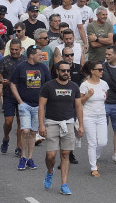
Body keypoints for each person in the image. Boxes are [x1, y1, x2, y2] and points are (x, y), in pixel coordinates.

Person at [39, 59, 83, 195]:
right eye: (63, 70)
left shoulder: (74, 86)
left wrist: (81, 125)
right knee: (51, 155)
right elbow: (41, 106)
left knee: (65, 154)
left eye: (68, 71)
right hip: (52, 122)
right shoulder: (48, 86)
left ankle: (64, 184)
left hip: (68, 123)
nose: (66, 73)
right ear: (57, 71)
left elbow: (78, 106)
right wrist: (41, 125)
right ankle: (50, 172)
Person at [10, 45, 52, 171]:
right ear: (31, 55)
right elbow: (13, 83)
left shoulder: (43, 67)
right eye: (39, 55)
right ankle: (22, 156)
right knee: (25, 131)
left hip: (38, 106)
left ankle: (29, 158)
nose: (41, 57)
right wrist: (20, 101)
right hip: (25, 104)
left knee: (34, 132)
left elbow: (48, 84)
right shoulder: (21, 67)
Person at [0, 39, 26, 158]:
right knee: (8, 121)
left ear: (20, 49)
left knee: (20, 122)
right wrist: (1, 80)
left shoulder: (25, 61)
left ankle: (18, 146)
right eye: (12, 49)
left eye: (16, 50)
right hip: (8, 94)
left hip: (22, 95)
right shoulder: (4, 60)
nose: (14, 52)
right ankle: (6, 137)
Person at [80, 60, 109, 177]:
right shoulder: (84, 85)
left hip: (101, 116)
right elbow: (79, 101)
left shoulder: (104, 84)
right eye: (99, 70)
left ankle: (95, 158)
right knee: (92, 142)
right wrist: (88, 96)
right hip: (88, 116)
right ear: (92, 71)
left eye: (102, 69)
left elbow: (104, 98)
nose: (102, 71)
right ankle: (93, 167)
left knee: (103, 142)